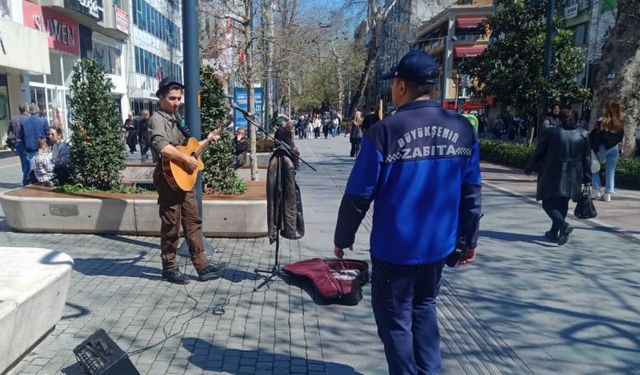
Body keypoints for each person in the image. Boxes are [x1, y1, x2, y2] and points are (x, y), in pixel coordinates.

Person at [333, 50, 482, 374]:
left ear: (401, 86)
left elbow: (358, 195)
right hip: (438, 247)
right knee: (424, 307)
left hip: (395, 249)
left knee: (395, 321)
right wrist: (468, 240)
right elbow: (472, 191)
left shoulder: (385, 132)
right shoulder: (463, 128)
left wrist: (342, 239)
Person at [148, 77, 227, 284]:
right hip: (167, 178)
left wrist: (208, 140)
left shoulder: (176, 120)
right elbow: (163, 147)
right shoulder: (157, 119)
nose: (176, 102)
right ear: (161, 98)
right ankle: (169, 268)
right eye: (172, 98)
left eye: (179, 98)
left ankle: (202, 265)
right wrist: (186, 160)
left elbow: (189, 150)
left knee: (193, 221)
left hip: (183, 178)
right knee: (171, 224)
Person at [525, 109, 591, 245]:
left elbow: (540, 151)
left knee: (547, 203)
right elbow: (587, 158)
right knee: (562, 203)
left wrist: (530, 166)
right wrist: (587, 178)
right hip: (574, 175)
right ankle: (554, 232)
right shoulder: (583, 134)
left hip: (552, 172)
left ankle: (562, 225)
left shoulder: (551, 132)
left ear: (560, 119)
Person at [589, 100, 625, 201]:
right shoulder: (620, 121)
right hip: (614, 148)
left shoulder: (602, 120)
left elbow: (596, 135)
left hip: (603, 147)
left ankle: (596, 190)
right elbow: (621, 136)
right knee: (610, 170)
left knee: (594, 167)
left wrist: (592, 146)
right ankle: (608, 193)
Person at [21, 104, 49, 186]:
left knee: (31, 167)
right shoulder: (43, 121)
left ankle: (29, 182)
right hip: (41, 147)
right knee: (42, 167)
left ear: (29, 111)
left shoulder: (24, 122)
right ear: (38, 111)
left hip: (29, 148)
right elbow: (47, 135)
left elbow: (22, 136)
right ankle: (41, 182)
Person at [8, 104, 29, 183]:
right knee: (27, 162)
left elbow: (9, 133)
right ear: (26, 109)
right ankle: (26, 181)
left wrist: (12, 144)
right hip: (25, 142)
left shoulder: (13, 119)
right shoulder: (27, 118)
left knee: (23, 161)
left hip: (17, 143)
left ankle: (27, 179)